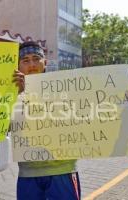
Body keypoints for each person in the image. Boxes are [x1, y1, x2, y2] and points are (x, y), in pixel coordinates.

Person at [14, 41, 81, 200]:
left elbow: (89, 113)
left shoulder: (64, 87)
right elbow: (3, 128)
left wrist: (125, 106)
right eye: (25, 60)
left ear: (45, 62)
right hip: (28, 172)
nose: (32, 64)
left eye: (36, 58)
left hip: (62, 170)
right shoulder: (10, 93)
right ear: (18, 65)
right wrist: (19, 95)